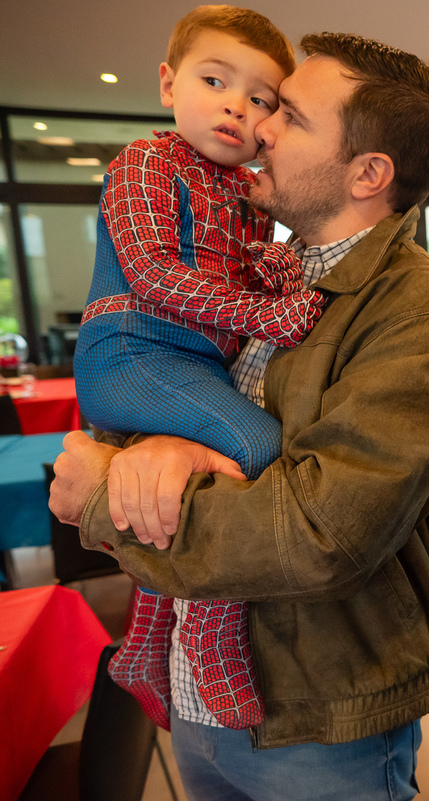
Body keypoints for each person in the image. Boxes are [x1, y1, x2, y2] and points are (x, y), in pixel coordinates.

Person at [51, 31, 429, 801]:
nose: (260, 128)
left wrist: (106, 498)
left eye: (288, 114)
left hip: (321, 719)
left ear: (368, 172)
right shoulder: (271, 280)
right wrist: (154, 445)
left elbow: (320, 533)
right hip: (202, 688)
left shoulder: (417, 310)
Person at [73, 4, 320, 734]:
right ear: (166, 83)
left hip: (189, 364)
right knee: (259, 447)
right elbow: (150, 269)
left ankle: (148, 639)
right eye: (215, 80)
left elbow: (244, 273)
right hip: (132, 351)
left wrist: (276, 265)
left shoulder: (247, 194)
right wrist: (267, 314)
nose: (235, 106)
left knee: (192, 484)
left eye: (259, 99)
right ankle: (209, 637)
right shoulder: (144, 163)